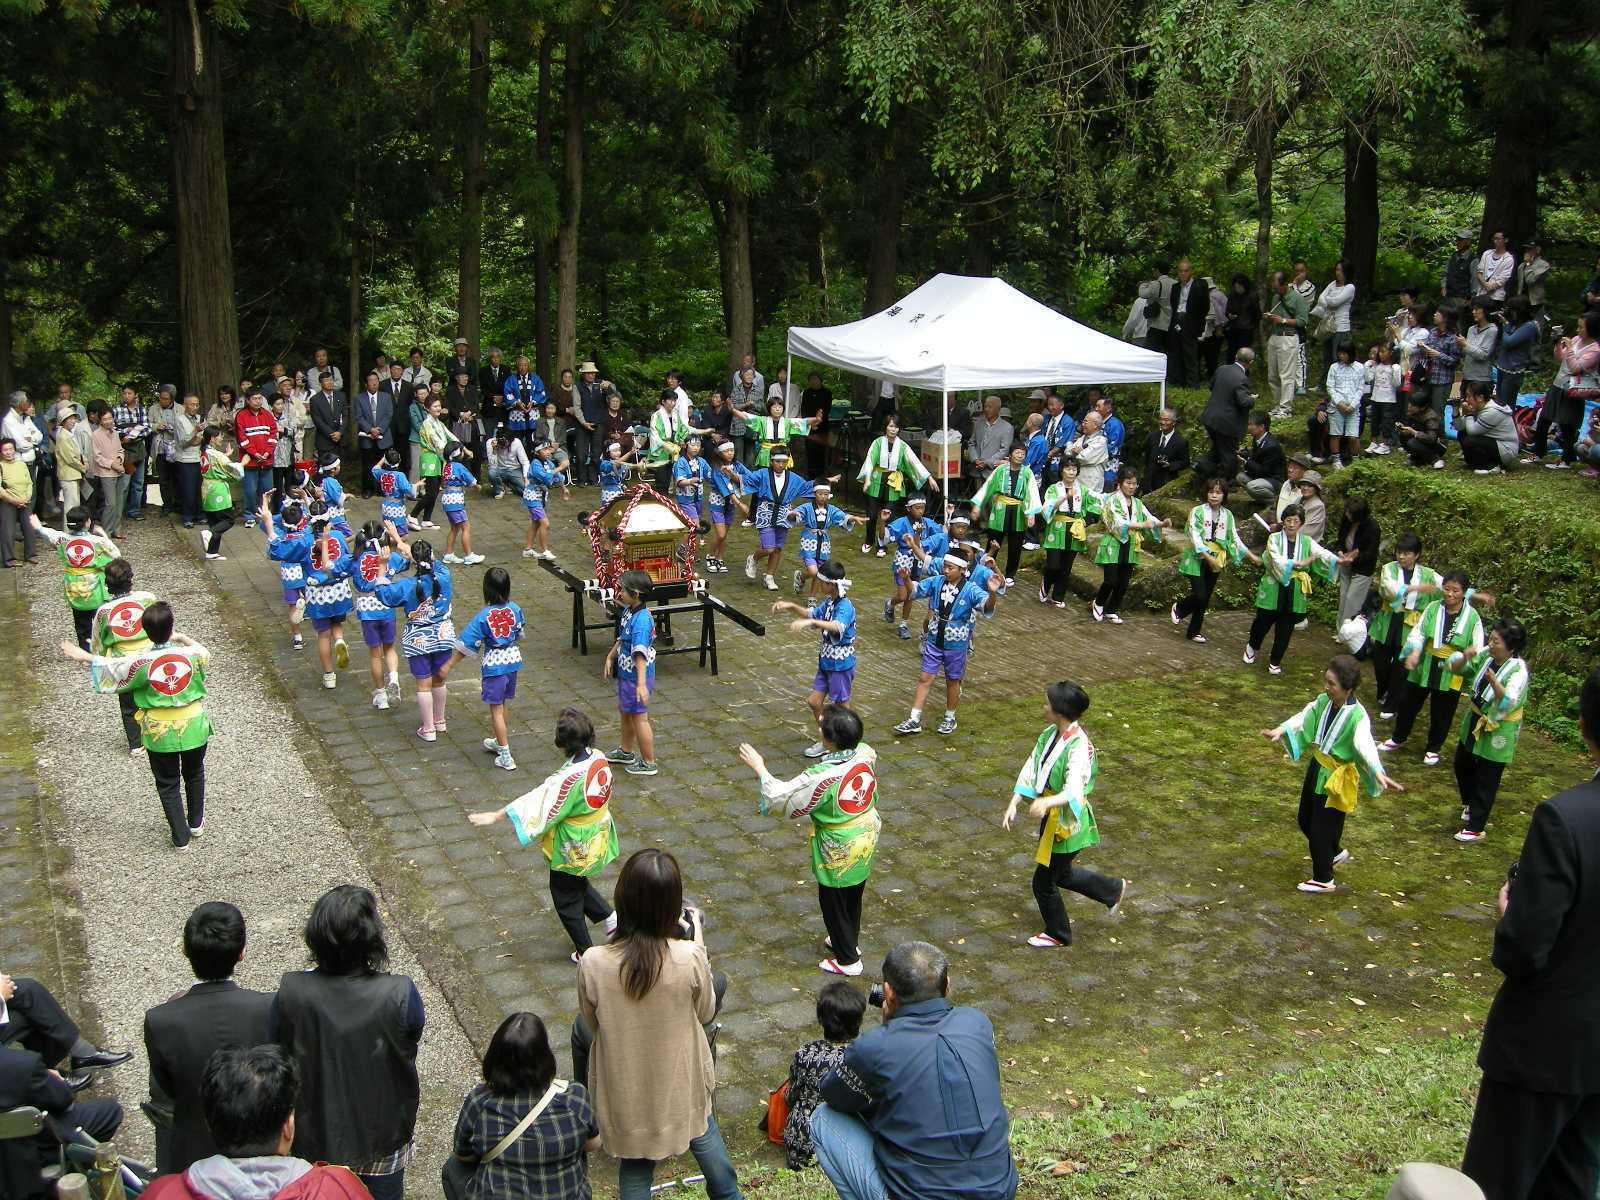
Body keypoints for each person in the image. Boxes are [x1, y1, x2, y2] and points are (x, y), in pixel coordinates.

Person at [1459, 667, 1600, 1200]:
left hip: (1544, 1043)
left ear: (1584, 726)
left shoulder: (1565, 819)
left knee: (1497, 1182)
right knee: (1573, 1179)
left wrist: (1509, 909)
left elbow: (1522, 948)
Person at [575, 849, 742, 1200]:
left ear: (623, 899)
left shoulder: (593, 962)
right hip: (683, 1082)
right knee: (709, 1147)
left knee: (635, 1170)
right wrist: (698, 940)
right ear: (672, 907)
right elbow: (707, 1011)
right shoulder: (688, 957)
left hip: (627, 1089)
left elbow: (591, 1023)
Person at [812, 940, 1017, 1200]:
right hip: (998, 1191)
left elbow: (834, 1096)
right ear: (948, 984)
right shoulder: (977, 1022)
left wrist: (888, 1028)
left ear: (888, 992)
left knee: (823, 1117)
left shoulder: (874, 1046)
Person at [272, 886, 422, 1200]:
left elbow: (277, 1043)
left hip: (314, 1137)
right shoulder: (400, 993)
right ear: (372, 941)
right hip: (382, 1135)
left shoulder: (291, 992)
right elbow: (411, 1033)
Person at [739, 704, 880, 975]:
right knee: (853, 891)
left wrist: (760, 767)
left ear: (830, 741)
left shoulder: (823, 775)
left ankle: (848, 960)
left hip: (840, 842)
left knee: (833, 897)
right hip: (866, 830)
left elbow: (782, 797)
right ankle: (847, 939)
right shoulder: (865, 753)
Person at [60, 599, 212, 846]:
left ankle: (180, 836)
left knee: (167, 782)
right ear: (171, 627)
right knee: (195, 772)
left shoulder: (140, 663)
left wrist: (83, 655)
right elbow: (204, 650)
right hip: (194, 724)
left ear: (145, 631)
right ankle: (196, 823)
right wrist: (182, 638)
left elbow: (110, 666)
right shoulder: (193, 655)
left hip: (158, 731)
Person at [468, 709, 618, 958]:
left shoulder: (567, 779)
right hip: (597, 830)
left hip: (574, 842)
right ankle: (611, 918)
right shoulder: (599, 758)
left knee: (565, 895)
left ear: (563, 744)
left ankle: (586, 953)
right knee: (574, 881)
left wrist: (497, 815)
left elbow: (539, 801)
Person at [143, 902, 274, 1175]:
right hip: (260, 1146)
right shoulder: (268, 1007)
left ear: (185, 951)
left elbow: (167, 1087)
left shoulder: (160, 1020)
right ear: (241, 953)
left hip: (194, 1150)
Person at [1263, 655, 1403, 893]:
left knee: (1322, 828)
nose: (1326, 688)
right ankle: (1334, 852)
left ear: (1347, 688)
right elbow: (1304, 716)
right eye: (1326, 682)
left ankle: (1323, 877)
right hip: (1317, 767)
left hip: (1336, 777)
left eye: (1332, 684)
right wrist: (1282, 729)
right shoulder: (1323, 702)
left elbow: (1365, 745)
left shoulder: (1357, 717)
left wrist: (1378, 771)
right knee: (1305, 818)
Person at [1003, 680, 1126, 948]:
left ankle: (1058, 933)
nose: (1044, 706)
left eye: (1047, 702)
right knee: (1062, 873)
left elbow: (1073, 790)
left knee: (1043, 882)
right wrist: (1015, 801)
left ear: (1059, 710)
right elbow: (1032, 765)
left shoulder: (1079, 746)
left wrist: (1046, 804)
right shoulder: (1050, 733)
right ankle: (1111, 889)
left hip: (1068, 822)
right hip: (1054, 819)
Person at [446, 1012, 598, 1200]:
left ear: (495, 1057)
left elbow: (464, 1155)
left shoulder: (480, 1102)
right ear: (545, 1056)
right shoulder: (574, 1096)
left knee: (452, 1168)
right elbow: (594, 1143)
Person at [0, 979, 126, 1200]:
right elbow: (63, 1100)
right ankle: (71, 1173)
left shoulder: (19, 1064)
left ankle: (78, 1054)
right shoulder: (22, 1065)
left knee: (28, 993)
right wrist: (50, 1080)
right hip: (32, 1154)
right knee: (109, 1111)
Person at [1382, 571, 1486, 766]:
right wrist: (1414, 653)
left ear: (1464, 593)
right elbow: (1419, 633)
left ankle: (1433, 748)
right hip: (1425, 662)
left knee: (1443, 711)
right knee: (1408, 703)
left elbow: (1477, 646)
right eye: (1446, 589)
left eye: (1455, 591)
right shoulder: (1433, 607)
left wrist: (1469, 656)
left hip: (1452, 668)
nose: (1450, 594)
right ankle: (1398, 737)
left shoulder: (1472, 617)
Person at [1449, 618, 1530, 844]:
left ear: (1511, 647)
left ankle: (1476, 827)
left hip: (1498, 726)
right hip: (1476, 715)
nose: (1491, 643)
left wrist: (1494, 681)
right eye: (1491, 638)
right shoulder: (1487, 655)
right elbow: (1454, 668)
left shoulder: (1518, 670)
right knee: (1462, 762)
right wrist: (1464, 657)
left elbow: (1508, 700)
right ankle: (1470, 804)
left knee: (1488, 775)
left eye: (1496, 641)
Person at [894, 553, 990, 737]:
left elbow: (986, 605)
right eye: (945, 566)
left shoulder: (971, 589)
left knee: (952, 680)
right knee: (924, 678)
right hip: (934, 638)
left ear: (962, 570)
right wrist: (906, 578)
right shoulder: (936, 582)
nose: (946, 570)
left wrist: (992, 593)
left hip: (956, 642)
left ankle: (950, 717)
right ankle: (914, 718)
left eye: (950, 568)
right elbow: (915, 592)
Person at [771, 561, 859, 755]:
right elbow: (811, 613)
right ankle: (828, 739)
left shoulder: (845, 606)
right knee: (814, 702)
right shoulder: (828, 602)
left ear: (831, 584)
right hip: (826, 661)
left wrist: (811, 622)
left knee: (841, 706)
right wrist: (791, 606)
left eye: (821, 581)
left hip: (840, 664)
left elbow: (837, 626)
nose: (818, 584)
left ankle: (846, 746)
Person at [374, 531, 454, 742]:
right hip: (443, 635)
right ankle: (440, 720)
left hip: (419, 640)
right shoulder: (444, 575)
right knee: (439, 680)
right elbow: (431, 563)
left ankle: (428, 729)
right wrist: (401, 543)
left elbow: (383, 594)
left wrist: (383, 564)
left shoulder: (407, 586)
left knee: (423, 684)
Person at [441, 568, 524, 770]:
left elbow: (467, 644)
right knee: (503, 703)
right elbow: (520, 633)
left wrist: (448, 665)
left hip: (494, 665)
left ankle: (505, 754)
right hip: (512, 661)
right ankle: (499, 740)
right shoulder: (515, 608)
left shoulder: (483, 616)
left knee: (495, 709)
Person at [1243, 503, 1337, 675]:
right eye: (1288, 520)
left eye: (1296, 521)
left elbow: (1322, 553)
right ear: (1283, 521)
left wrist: (1338, 560)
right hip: (1273, 587)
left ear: (1301, 523)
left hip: (1294, 590)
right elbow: (1276, 559)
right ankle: (1252, 646)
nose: (1292, 524)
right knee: (1263, 621)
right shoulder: (1274, 539)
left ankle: (1275, 659)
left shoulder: (1307, 541)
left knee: (1285, 627)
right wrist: (1299, 563)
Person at [782, 982, 865, 1170]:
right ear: (858, 1021)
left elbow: (790, 1096)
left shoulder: (806, 1053)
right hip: (838, 1149)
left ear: (821, 1020)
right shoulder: (863, 1058)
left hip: (800, 1144)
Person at [1172, 478, 1257, 643]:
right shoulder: (1197, 511)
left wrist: (1250, 555)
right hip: (1198, 557)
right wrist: (1207, 555)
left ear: (1224, 495)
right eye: (1211, 492)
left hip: (1216, 558)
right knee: (1200, 594)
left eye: (1218, 492)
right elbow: (1194, 535)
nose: (1214, 496)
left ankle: (1194, 631)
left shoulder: (1228, 515)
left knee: (1206, 596)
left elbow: (1234, 539)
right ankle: (1180, 607)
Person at [1369, 533, 1439, 717]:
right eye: (1399, 552)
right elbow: (1388, 589)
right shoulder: (1388, 569)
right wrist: (1412, 588)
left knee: (1401, 667)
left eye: (1406, 553)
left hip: (1411, 624)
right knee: (1381, 663)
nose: (1401, 557)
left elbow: (1448, 587)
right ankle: (1384, 690)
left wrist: (1473, 595)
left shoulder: (1428, 574)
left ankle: (1391, 704)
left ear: (1416, 555)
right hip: (1389, 620)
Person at [1089, 465, 1167, 625]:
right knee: (1111, 579)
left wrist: (1161, 523)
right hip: (1113, 542)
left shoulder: (1138, 503)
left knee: (1124, 582)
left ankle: (1111, 609)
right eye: (1128, 483)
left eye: (1134, 484)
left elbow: (1149, 517)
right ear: (1120, 483)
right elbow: (1118, 523)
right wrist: (1143, 525)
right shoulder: (1112, 500)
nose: (1132, 487)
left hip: (1131, 543)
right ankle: (1099, 602)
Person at [1525, 311, 1599, 470]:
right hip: (1558, 384)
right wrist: (1558, 344)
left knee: (1567, 424)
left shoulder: (1595, 350)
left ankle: (1567, 458)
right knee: (1544, 418)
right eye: (1578, 327)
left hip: (1573, 389)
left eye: (1581, 327)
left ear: (1591, 329)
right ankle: (1538, 453)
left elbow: (1575, 368)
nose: (1578, 331)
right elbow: (1560, 359)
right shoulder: (1577, 340)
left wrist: (1570, 348)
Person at [605, 570, 658, 777]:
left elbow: (640, 655)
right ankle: (626, 751)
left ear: (635, 594)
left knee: (640, 718)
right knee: (626, 712)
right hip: (627, 674)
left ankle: (648, 761)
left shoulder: (642, 622)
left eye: (622, 590)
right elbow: (622, 637)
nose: (619, 593)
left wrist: (642, 684)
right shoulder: (630, 610)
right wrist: (610, 656)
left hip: (637, 676)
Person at [856, 416, 932, 554]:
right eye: (890, 426)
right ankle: (869, 540)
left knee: (889, 515)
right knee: (872, 514)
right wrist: (867, 479)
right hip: (876, 479)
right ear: (885, 427)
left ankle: (882, 545)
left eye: (895, 427)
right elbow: (870, 460)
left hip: (894, 482)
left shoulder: (902, 446)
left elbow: (914, 462)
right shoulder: (878, 442)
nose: (893, 429)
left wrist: (929, 477)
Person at [350, 521, 405, 711]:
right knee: (390, 648)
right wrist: (397, 540)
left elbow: (332, 570)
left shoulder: (355, 559)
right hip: (386, 607)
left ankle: (381, 695)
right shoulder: (391, 557)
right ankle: (395, 678)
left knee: (375, 654)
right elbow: (407, 559)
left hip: (367, 612)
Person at [974, 441, 1041, 588]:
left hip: (1018, 509)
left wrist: (1031, 513)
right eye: (1017, 453)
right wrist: (978, 505)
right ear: (1010, 455)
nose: (1020, 456)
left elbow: (1032, 493)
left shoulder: (1028, 473)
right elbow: (988, 486)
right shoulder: (1000, 470)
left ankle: (1010, 574)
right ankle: (985, 570)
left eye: (1023, 454)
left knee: (1015, 544)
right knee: (993, 539)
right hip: (1000, 507)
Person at [1199, 347, 1255, 479]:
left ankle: (1201, 466)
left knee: (1218, 449)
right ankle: (1225, 482)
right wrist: (1252, 399)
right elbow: (1243, 402)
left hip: (1210, 418)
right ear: (1250, 362)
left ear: (1236, 357)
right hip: (1227, 424)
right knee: (1228, 455)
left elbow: (1211, 386)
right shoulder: (1242, 378)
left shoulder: (1222, 369)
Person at [1263, 271, 1309, 419]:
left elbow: (1302, 321)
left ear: (1284, 284)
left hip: (1288, 338)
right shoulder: (1276, 297)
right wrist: (1269, 317)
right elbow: (1274, 315)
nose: (1275, 289)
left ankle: (1286, 408)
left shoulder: (1297, 298)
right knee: (1273, 374)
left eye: (1276, 287)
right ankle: (1277, 405)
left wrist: (1283, 320)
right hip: (1275, 337)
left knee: (1286, 374)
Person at [197, 428, 244, 562]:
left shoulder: (204, 451)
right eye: (219, 436)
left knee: (214, 520)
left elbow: (216, 464)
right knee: (227, 519)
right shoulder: (216, 455)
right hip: (218, 489)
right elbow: (233, 471)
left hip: (206, 488)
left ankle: (212, 551)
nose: (221, 438)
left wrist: (226, 455)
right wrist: (243, 463)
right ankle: (210, 534)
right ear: (212, 438)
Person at [1334, 494, 1380, 627]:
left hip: (1362, 569)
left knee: (1352, 600)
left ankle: (1348, 631)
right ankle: (1339, 629)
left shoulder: (1372, 527)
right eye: (1347, 512)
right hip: (1345, 563)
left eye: (1350, 513)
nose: (1347, 515)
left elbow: (1370, 553)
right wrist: (1340, 551)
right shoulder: (1346, 520)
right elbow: (1340, 538)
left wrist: (1353, 560)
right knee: (1343, 597)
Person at [1456, 381, 1520, 473]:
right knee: (1462, 433)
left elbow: (1472, 432)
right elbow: (1460, 428)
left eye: (1469, 396)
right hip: (1494, 442)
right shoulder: (1481, 406)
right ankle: (1477, 463)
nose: (1466, 399)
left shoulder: (1491, 411)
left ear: (1480, 397)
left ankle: (1492, 466)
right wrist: (1455, 412)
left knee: (1470, 440)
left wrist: (1469, 414)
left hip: (1506, 449)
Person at [1167, 258, 1210, 385]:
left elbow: (1204, 306)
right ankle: (1177, 381)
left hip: (1190, 322)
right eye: (1180, 271)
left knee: (1190, 354)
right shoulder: (1175, 287)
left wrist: (1197, 323)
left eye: (1185, 271)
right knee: (1176, 352)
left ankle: (1192, 383)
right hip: (1177, 320)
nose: (1183, 274)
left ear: (1190, 271)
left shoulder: (1199, 284)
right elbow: (1173, 304)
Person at [1324, 342, 1365, 468]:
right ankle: (1336, 460)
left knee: (1353, 436)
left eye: (1344, 353)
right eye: (1340, 353)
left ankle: (1356, 460)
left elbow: (1360, 388)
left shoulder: (1359, 367)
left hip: (1353, 407)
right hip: (1337, 407)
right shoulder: (1334, 367)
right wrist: (1339, 403)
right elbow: (1330, 387)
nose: (1341, 356)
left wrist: (1352, 405)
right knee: (1336, 434)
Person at [1315, 261, 1357, 383]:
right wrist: (1329, 300)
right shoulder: (1332, 284)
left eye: (1341, 270)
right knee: (1326, 356)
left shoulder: (1350, 287)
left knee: (1337, 357)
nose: (1338, 273)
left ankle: (1337, 383)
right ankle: (1323, 384)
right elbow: (1321, 298)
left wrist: (1328, 300)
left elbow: (1336, 302)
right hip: (1328, 326)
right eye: (1337, 270)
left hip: (1341, 327)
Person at [354, 372, 394, 496]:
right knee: (367, 465)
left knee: (385, 464)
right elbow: (359, 417)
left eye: (376, 380)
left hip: (384, 437)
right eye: (371, 380)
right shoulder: (359, 398)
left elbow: (389, 415)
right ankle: (368, 489)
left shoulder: (386, 396)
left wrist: (379, 429)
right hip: (367, 437)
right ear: (366, 384)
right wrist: (370, 429)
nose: (374, 383)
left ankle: (383, 489)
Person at [1494, 295, 1539, 407]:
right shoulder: (1515, 323)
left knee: (1506, 406)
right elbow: (1505, 336)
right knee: (1498, 402)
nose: (1510, 312)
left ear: (1520, 311)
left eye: (1512, 309)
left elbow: (1509, 342)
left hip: (1513, 371)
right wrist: (1506, 323)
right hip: (1502, 367)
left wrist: (1505, 324)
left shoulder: (1529, 326)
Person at [1236, 410, 1285, 501]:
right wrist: (1244, 454)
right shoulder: (1257, 439)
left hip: (1275, 480)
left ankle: (1275, 501)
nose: (1249, 427)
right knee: (1240, 477)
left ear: (1262, 427)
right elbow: (1256, 457)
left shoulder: (1271, 446)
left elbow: (1264, 471)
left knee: (1252, 486)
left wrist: (1244, 462)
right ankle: (1261, 500)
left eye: (1251, 424)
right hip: (1262, 476)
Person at [1364, 342, 1403, 454]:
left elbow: (1397, 384)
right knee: (1374, 420)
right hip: (1376, 397)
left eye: (1383, 352)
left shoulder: (1395, 367)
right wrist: (1367, 366)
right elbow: (1368, 378)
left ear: (1391, 353)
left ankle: (1385, 444)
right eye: (1379, 352)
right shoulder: (1377, 366)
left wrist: (1395, 371)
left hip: (1389, 400)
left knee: (1387, 422)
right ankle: (1373, 441)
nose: (1380, 354)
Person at [1141, 407, 1189, 492]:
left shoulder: (1180, 442)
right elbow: (1146, 458)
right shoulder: (1152, 437)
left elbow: (1185, 462)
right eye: (1161, 419)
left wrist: (1170, 465)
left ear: (1173, 422)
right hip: (1149, 483)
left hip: (1166, 482)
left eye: (1166, 420)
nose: (1163, 422)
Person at [1395, 394, 1447, 468]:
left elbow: (1431, 438)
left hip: (1438, 445)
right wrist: (1402, 428)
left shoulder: (1431, 417)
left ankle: (1435, 459)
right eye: (1409, 403)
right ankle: (1416, 457)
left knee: (1412, 442)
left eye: (1413, 405)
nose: (1409, 406)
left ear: (1422, 408)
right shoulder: (1413, 413)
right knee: (1403, 435)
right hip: (1423, 440)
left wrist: (1413, 432)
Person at [799, 371, 833, 477]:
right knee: (810, 451)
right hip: (809, 425)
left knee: (820, 450)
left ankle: (821, 474)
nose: (813, 381)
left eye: (815, 379)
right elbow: (803, 409)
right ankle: (810, 474)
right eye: (811, 379)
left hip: (822, 426)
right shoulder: (806, 392)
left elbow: (827, 409)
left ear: (820, 380)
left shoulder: (827, 392)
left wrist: (818, 421)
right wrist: (810, 422)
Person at [1474, 228, 1514, 303]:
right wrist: (1485, 284)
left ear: (1505, 240)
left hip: (1496, 296)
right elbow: (1479, 271)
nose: (1496, 241)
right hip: (1481, 294)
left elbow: (1504, 278)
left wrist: (1491, 287)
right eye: (1494, 238)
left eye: (1498, 239)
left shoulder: (1508, 259)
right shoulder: (1487, 254)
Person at [1441, 229, 1476, 302]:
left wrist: (1472, 298)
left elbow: (1474, 280)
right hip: (1449, 296)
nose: (1458, 242)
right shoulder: (1453, 256)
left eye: (1461, 240)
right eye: (1457, 239)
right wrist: (1443, 287)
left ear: (1468, 242)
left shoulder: (1473, 259)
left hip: (1463, 298)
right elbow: (1445, 273)